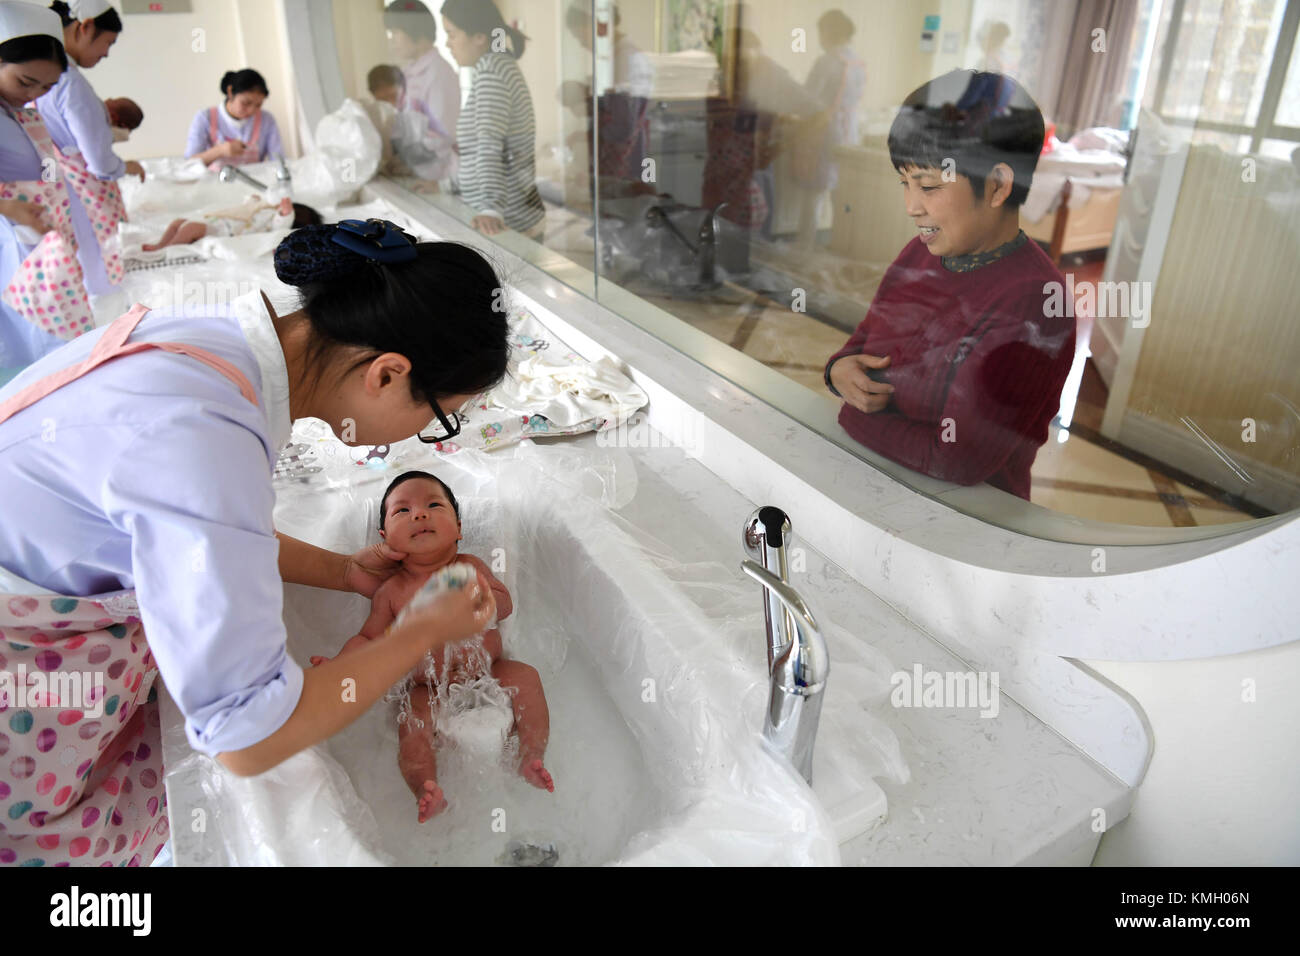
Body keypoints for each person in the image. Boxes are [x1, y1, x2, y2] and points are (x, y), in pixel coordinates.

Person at [0, 220, 508, 866]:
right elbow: (247, 737)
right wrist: (417, 633)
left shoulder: (212, 348)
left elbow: (210, 539)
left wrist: (348, 572)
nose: (422, 437)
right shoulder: (207, 438)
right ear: (386, 375)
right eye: (440, 417)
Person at [824, 71, 1075, 500]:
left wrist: (852, 417)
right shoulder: (921, 252)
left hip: (963, 522)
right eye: (905, 183)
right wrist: (838, 371)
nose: (910, 206)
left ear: (997, 185)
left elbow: (955, 459)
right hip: (880, 488)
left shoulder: (1035, 305)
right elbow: (863, 345)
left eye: (928, 186)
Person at [311, 471, 553, 822]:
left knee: (526, 677)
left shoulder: (470, 568)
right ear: (384, 539)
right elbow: (368, 639)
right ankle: (425, 785)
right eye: (402, 511)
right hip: (427, 687)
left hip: (488, 670)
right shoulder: (391, 592)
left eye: (433, 505)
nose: (419, 515)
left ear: (457, 527)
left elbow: (505, 603)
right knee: (411, 719)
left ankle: (531, 755)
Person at [0, 1, 90, 373]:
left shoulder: (19, 111)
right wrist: (8, 207)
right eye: (25, 82)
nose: (32, 93)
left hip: (39, 240)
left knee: (58, 345)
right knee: (29, 349)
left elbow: (45, 165)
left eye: (46, 87)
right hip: (12, 240)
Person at [35, 0, 139, 297]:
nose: (106, 53)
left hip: (69, 190)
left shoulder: (56, 79)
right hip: (89, 193)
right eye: (108, 43)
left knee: (95, 274)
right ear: (85, 27)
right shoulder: (69, 83)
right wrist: (124, 166)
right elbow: (99, 162)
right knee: (108, 276)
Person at [441, 0, 545, 239]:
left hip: (507, 220)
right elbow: (476, 152)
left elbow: (489, 146)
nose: (448, 43)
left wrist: (491, 208)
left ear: (478, 37)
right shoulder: (492, 67)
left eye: (451, 34)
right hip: (501, 214)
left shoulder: (492, 72)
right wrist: (445, 186)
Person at [793, 9, 866, 247]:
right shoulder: (858, 61)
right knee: (841, 192)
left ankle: (805, 246)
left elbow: (807, 97)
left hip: (826, 130)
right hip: (850, 130)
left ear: (827, 32)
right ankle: (839, 244)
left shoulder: (826, 61)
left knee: (815, 188)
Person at [384, 0, 459, 156]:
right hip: (412, 164)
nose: (391, 41)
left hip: (433, 170)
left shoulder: (439, 73)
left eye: (395, 33)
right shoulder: (407, 72)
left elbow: (441, 137)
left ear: (415, 31)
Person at [367, 63, 453, 181]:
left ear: (403, 88)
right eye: (383, 99)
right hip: (396, 177)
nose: (390, 103)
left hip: (426, 172)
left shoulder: (418, 107)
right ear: (373, 96)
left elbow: (444, 140)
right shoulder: (374, 115)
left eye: (393, 95)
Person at [185, 68, 284, 167]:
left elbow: (278, 160)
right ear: (230, 92)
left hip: (254, 181)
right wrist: (220, 150)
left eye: (258, 105)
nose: (252, 110)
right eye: (246, 103)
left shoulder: (267, 120)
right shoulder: (205, 118)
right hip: (215, 181)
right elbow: (190, 163)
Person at [141, 196, 321, 250]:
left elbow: (280, 226)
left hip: (225, 231)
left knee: (189, 228)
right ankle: (160, 245)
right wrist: (253, 200)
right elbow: (244, 208)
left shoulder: (276, 224)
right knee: (178, 222)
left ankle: (169, 249)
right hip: (217, 220)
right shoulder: (265, 208)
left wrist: (285, 213)